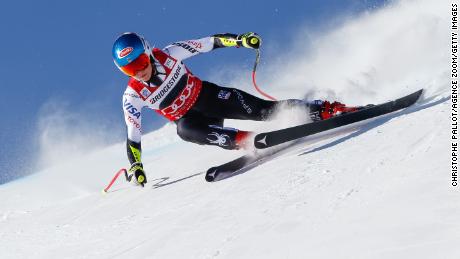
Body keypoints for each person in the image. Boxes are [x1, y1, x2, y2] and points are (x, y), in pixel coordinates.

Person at [112, 32, 356, 186]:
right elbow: (133, 137)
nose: (139, 71)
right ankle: (247, 141)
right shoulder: (132, 96)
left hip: (209, 98)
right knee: (184, 129)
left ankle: (325, 110)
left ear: (147, 52)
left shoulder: (169, 54)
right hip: (196, 122)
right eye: (130, 70)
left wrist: (240, 40)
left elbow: (209, 43)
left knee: (264, 110)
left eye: (141, 62)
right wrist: (136, 167)